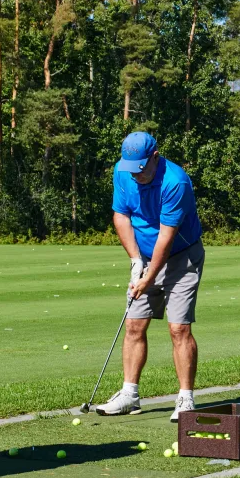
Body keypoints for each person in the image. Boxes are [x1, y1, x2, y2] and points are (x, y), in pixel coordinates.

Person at [95, 132, 205, 422]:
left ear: (156, 157)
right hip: (143, 256)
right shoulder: (123, 171)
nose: (136, 176)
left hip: (182, 257)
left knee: (178, 328)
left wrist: (147, 277)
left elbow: (165, 239)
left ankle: (185, 399)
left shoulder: (175, 182)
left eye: (141, 169)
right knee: (134, 325)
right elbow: (121, 215)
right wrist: (134, 260)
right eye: (131, 169)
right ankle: (130, 395)